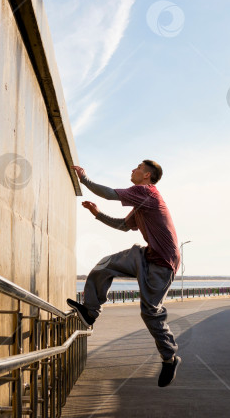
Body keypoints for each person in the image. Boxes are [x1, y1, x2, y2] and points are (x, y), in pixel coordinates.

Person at [66, 161, 182, 387]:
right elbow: (123, 226)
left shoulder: (147, 192)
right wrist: (97, 214)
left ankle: (169, 358)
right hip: (145, 255)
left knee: (150, 312)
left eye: (137, 167)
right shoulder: (140, 203)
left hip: (163, 263)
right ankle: (90, 311)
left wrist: (84, 178)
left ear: (147, 175)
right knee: (104, 265)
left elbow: (110, 194)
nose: (132, 170)